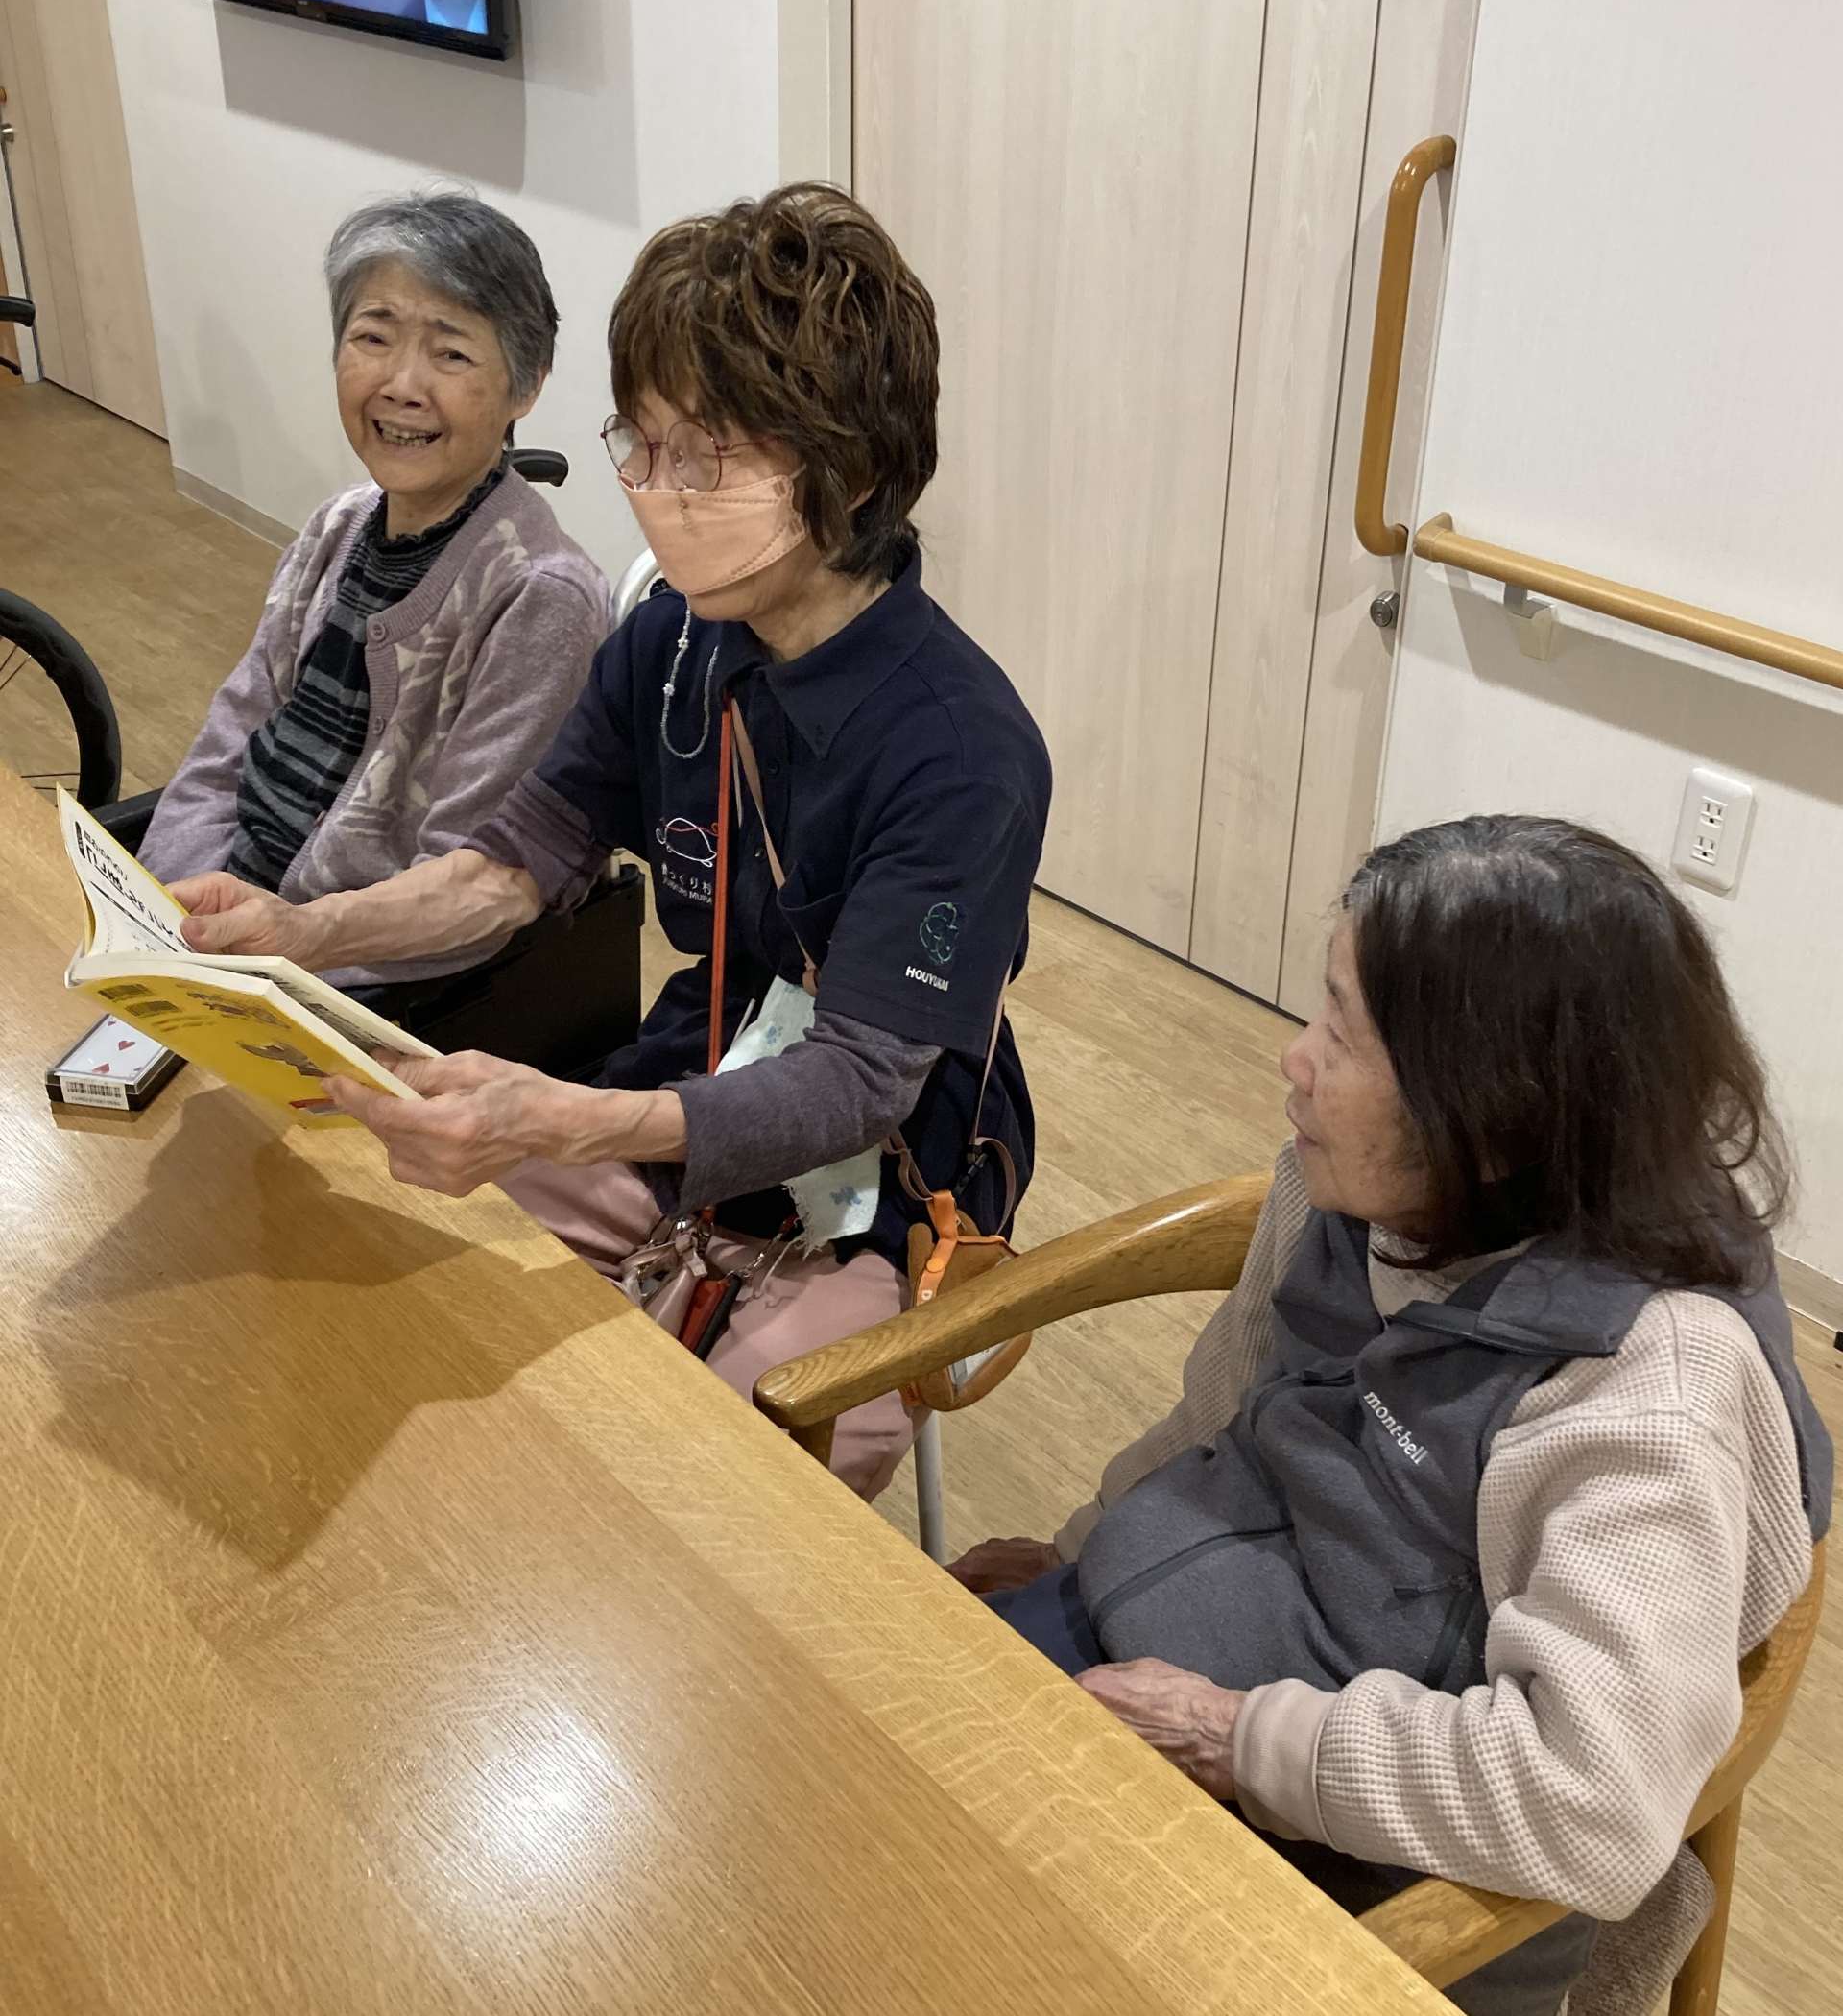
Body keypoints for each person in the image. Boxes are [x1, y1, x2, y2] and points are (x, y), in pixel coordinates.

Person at [167, 184, 1052, 1498]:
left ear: (854, 471)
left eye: (709, 460)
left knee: (729, 1484)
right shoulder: (676, 639)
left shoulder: (961, 749)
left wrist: (562, 1116)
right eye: (644, 445)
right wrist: (304, 931)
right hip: (694, 1063)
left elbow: (862, 1080)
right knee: (402, 1285)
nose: (658, 495)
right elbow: (512, 862)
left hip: (888, 1171)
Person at [951, 818, 1831, 2016]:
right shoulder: (1349, 1187)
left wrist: (1229, 1734)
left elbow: (1595, 1800)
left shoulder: (1646, 1388)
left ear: (1498, 1115)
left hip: (1347, 1859)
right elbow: (1218, 1408)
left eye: (1343, 1031)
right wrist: (1079, 1547)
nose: (1293, 1057)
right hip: (1161, 1666)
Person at [140, 189, 610, 988]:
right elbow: (226, 749)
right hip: (221, 931)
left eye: (450, 354)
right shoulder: (338, 525)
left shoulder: (541, 598)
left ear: (526, 386)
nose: (401, 384)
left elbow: (466, 886)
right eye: (373, 337)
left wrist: (274, 961)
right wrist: (170, 922)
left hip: (348, 982)